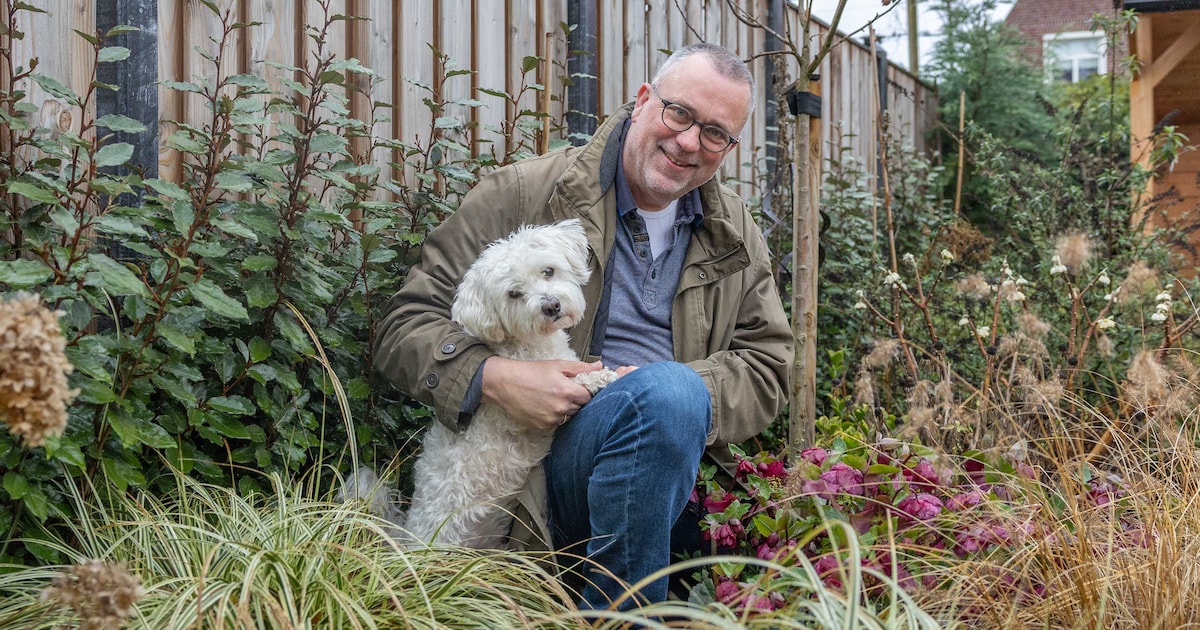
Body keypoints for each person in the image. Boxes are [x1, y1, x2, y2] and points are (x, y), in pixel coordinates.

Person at [374, 42, 792, 609]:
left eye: (716, 133)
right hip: (541, 483)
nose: (690, 141)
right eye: (680, 113)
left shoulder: (735, 230)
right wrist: (493, 377)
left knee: (665, 395)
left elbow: (767, 368)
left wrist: (653, 395)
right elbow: (404, 326)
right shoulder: (522, 194)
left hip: (671, 482)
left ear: (729, 146)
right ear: (643, 100)